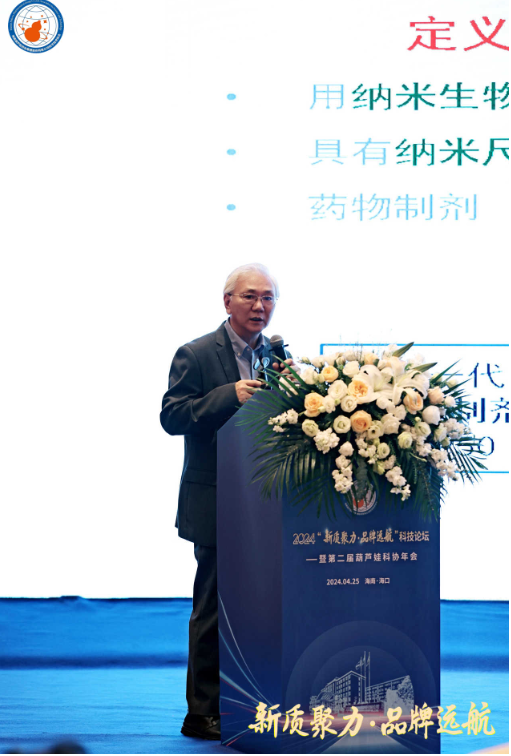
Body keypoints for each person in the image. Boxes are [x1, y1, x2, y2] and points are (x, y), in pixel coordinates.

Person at [160, 263, 295, 741]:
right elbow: (172, 416)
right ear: (227, 302)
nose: (260, 306)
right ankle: (202, 713)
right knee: (213, 607)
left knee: (263, 608)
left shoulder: (276, 356)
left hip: (266, 503)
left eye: (268, 298)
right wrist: (227, 395)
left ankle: (253, 701)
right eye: (250, 296)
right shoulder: (196, 354)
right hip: (217, 500)